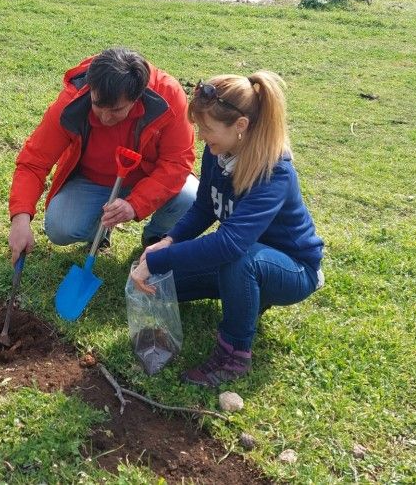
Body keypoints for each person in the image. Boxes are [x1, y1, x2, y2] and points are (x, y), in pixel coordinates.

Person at [131, 71, 324, 387]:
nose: (202, 136)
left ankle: (233, 354)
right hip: (242, 256)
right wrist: (167, 243)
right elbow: (205, 207)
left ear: (241, 126)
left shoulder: (274, 171)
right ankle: (247, 296)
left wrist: (156, 260)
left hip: (292, 270)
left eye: (207, 129)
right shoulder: (218, 151)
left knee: (239, 259)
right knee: (162, 283)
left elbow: (230, 244)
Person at [8, 48, 198, 264]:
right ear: (91, 88)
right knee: (60, 227)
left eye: (116, 110)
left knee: (190, 196)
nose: (106, 118)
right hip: (92, 180)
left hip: (149, 178)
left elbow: (177, 163)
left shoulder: (169, 96)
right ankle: (99, 231)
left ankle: (156, 235)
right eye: (98, 105)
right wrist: (20, 218)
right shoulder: (72, 101)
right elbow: (33, 162)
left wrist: (136, 204)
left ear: (137, 98)